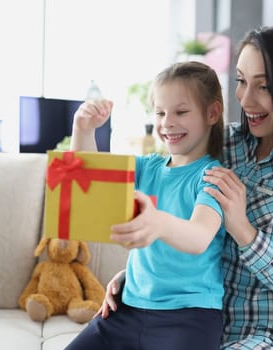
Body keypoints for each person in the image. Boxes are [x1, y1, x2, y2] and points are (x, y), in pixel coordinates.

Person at [97, 25, 273, 350]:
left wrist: (243, 230)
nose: (245, 99)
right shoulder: (223, 142)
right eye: (240, 81)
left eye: (263, 86)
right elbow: (175, 203)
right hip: (190, 320)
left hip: (262, 334)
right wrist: (134, 278)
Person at [65, 61, 227, 350]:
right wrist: (84, 130)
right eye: (161, 113)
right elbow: (89, 181)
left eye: (181, 112)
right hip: (127, 310)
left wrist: (159, 222)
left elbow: (199, 236)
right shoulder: (147, 168)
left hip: (190, 317)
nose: (167, 122)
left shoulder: (214, 177)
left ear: (212, 113)